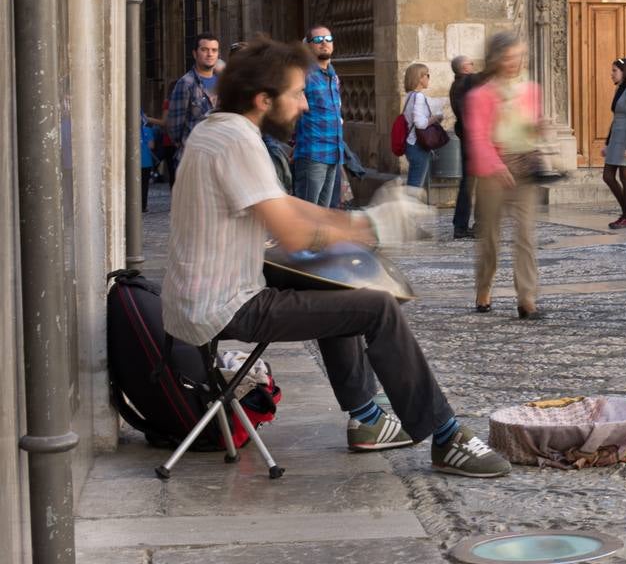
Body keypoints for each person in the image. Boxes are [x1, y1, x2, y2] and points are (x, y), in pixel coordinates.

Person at [160, 38, 510, 477]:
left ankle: (366, 420)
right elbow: (291, 229)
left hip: (198, 298)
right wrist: (375, 225)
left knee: (334, 283)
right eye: (296, 94)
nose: (304, 105)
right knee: (377, 308)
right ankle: (445, 436)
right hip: (225, 305)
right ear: (263, 99)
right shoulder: (237, 141)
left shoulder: (216, 129)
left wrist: (359, 222)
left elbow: (284, 206)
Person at [465, 32, 544, 319]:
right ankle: (484, 287)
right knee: (490, 238)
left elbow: (529, 128)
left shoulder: (532, 90)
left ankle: (527, 298)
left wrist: (539, 130)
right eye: (508, 57)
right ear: (496, 59)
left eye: (518, 56)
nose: (514, 62)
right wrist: (496, 166)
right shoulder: (480, 95)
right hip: (492, 172)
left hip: (524, 169)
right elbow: (477, 137)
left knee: (525, 234)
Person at [292, 26, 344, 207]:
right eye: (318, 40)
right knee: (306, 214)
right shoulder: (302, 73)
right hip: (312, 154)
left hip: (334, 153)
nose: (324, 43)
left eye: (328, 39)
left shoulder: (332, 74)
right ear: (308, 46)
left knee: (323, 216)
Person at [165, 33, 222, 172]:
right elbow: (174, 126)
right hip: (193, 158)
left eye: (214, 50)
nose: (210, 54)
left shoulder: (223, 83)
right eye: (204, 49)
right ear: (195, 54)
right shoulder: (186, 83)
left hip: (220, 156)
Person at [602, 57, 626, 229]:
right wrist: (607, 143)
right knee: (607, 176)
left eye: (614, 71)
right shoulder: (618, 89)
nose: (611, 74)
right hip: (616, 136)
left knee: (625, 177)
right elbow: (615, 118)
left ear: (624, 72)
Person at [448, 55, 480, 240]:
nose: (473, 66)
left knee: (469, 183)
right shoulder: (464, 84)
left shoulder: (461, 84)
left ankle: (462, 225)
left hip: (470, 139)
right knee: (470, 183)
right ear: (463, 68)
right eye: (470, 63)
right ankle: (463, 226)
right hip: (472, 141)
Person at [400, 63, 442, 193]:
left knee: (414, 184)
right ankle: (408, 212)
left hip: (411, 144)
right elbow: (420, 123)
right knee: (415, 187)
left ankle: (408, 210)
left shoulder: (410, 96)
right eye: (427, 75)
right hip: (418, 145)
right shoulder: (418, 96)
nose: (429, 78)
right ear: (420, 78)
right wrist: (436, 118)